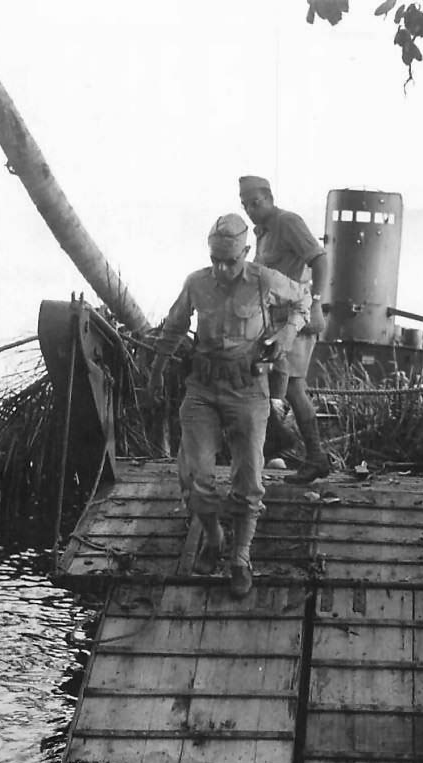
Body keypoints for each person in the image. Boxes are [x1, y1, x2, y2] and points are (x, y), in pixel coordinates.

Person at [148, 214, 310, 597]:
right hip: (202, 388)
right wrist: (155, 373)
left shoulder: (265, 280)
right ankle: (213, 536)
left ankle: (241, 556)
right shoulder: (196, 283)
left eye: (230, 261)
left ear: (246, 252)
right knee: (194, 476)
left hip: (248, 388)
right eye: (215, 260)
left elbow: (303, 300)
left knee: (249, 478)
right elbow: (173, 328)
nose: (222, 268)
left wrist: (286, 335)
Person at [239, 175, 331, 484]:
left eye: (255, 202)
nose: (250, 209)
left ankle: (308, 454)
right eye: (245, 205)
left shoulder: (288, 222)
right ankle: (286, 448)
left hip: (295, 319)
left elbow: (320, 260)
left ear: (269, 198)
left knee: (290, 386)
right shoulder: (263, 234)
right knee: (274, 383)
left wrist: (315, 303)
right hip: (273, 322)